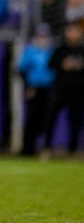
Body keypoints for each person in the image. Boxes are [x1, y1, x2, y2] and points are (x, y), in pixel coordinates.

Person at [44, 21, 84, 155]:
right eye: (71, 31)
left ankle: (73, 149)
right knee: (51, 118)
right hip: (60, 89)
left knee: (75, 120)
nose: (73, 34)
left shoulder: (82, 49)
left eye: (76, 31)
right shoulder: (60, 49)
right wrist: (63, 65)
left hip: (78, 91)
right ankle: (47, 147)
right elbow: (50, 65)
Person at [17, 23, 55, 155]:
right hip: (34, 89)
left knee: (45, 119)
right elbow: (21, 70)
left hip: (48, 88)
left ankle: (44, 147)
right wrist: (28, 86)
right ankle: (28, 148)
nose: (42, 39)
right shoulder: (30, 51)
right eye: (40, 36)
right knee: (32, 118)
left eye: (44, 36)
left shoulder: (51, 51)